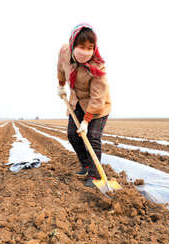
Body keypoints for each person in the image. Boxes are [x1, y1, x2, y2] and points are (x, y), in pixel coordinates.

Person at [57, 23, 111, 188]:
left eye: (90, 47)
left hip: (97, 105)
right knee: (73, 134)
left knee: (92, 138)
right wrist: (60, 85)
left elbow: (97, 98)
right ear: (74, 45)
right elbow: (61, 68)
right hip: (76, 101)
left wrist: (86, 121)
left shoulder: (98, 67)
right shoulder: (65, 52)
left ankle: (95, 176)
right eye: (82, 46)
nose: (86, 51)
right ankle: (86, 165)